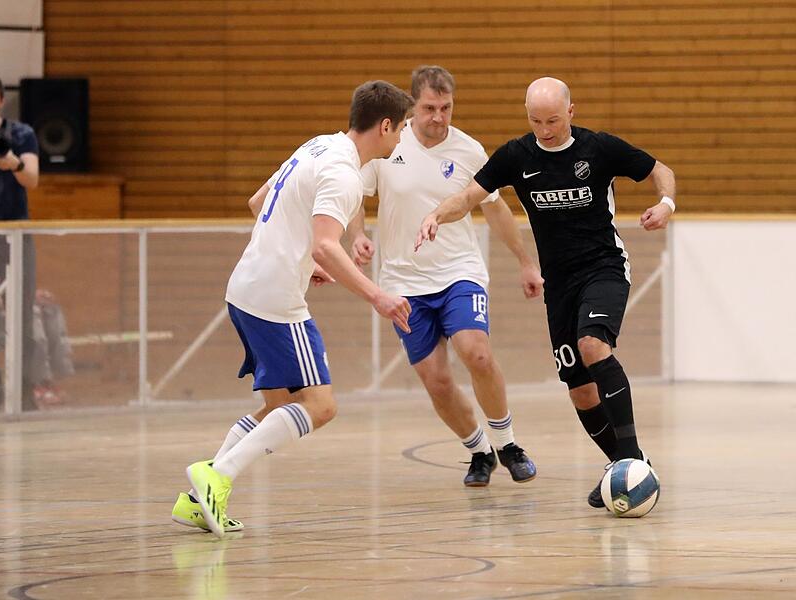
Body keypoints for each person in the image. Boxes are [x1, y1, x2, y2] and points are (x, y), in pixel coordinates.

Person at [415, 77, 676, 508]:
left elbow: (660, 171)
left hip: (604, 268)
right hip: (560, 283)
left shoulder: (599, 148)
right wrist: (435, 216)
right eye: (536, 121)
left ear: (571, 112)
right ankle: (623, 465)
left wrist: (666, 205)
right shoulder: (518, 156)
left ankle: (630, 457)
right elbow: (467, 198)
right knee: (579, 388)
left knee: (593, 346)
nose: (545, 129)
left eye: (553, 120)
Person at [173, 80, 415, 538]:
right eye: (400, 128)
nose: (401, 137)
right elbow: (327, 246)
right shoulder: (346, 176)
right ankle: (216, 476)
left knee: (281, 405)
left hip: (246, 286)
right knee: (320, 406)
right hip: (274, 298)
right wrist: (378, 296)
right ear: (384, 126)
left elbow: (258, 202)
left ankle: (197, 501)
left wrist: (300, 254)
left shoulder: (318, 145)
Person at [347, 66, 542, 487]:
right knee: (436, 381)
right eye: (429, 108)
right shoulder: (389, 146)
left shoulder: (469, 150)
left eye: (446, 107)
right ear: (412, 106)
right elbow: (356, 196)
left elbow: (495, 209)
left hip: (458, 272)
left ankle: (507, 443)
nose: (439, 117)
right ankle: (479, 451)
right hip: (403, 280)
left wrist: (526, 261)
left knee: (477, 353)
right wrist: (358, 234)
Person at [0, 74, 40, 411]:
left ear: (0, 100)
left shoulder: (21, 134)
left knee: (20, 312)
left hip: (14, 234)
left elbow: (33, 179)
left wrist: (12, 163)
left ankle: (23, 392)